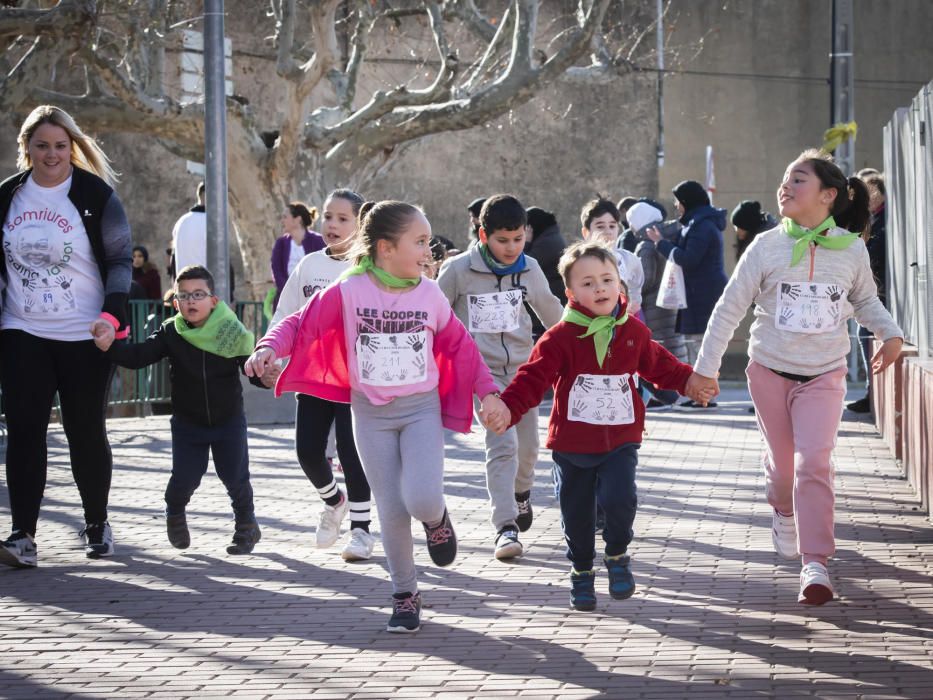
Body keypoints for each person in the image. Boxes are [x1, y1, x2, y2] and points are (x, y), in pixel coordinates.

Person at [245, 200, 508, 634]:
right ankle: (405, 593)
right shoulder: (349, 290)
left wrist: (489, 393)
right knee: (390, 508)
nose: (429, 251)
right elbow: (299, 322)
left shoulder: (429, 294)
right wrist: (268, 347)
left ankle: (437, 520)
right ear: (386, 248)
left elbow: (461, 346)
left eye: (428, 242)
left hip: (419, 408)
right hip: (369, 415)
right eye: (420, 242)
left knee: (422, 498)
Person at [689, 149, 904, 605]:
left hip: (824, 375)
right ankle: (782, 509)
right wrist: (705, 371)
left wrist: (890, 333)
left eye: (798, 180)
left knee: (814, 462)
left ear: (828, 196)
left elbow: (865, 301)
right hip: (769, 371)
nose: (785, 186)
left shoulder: (852, 250)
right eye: (785, 179)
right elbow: (729, 309)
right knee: (783, 468)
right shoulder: (766, 246)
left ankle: (815, 563)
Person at [482, 241, 713, 611]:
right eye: (588, 283)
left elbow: (662, 366)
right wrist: (507, 409)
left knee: (620, 499)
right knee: (576, 512)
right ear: (571, 293)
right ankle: (581, 571)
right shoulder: (559, 337)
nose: (600, 288)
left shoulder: (632, 332)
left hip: (620, 438)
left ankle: (618, 555)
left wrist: (691, 382)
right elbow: (531, 379)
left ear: (620, 285)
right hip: (572, 444)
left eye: (607, 279)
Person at [0, 105, 132, 568]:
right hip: (21, 330)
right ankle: (23, 536)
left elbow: (119, 261)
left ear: (72, 148)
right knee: (24, 431)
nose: (51, 154)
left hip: (85, 333)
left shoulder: (96, 195)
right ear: (27, 149)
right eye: (42, 146)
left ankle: (97, 524)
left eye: (60, 145)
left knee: (84, 430)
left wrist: (110, 317)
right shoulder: (8, 197)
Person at [92, 265, 270, 553]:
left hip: (228, 420)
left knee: (235, 476)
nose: (191, 301)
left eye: (198, 294)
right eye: (183, 295)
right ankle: (174, 512)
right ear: (175, 303)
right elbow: (139, 356)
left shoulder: (231, 330)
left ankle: (247, 527)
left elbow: (251, 370)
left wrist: (265, 377)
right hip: (189, 423)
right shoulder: (171, 332)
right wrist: (111, 346)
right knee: (185, 477)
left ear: (213, 300)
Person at [437, 194, 563, 560]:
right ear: (483, 234)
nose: (511, 248)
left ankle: (522, 494)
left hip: (524, 370)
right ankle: (505, 527)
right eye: (502, 240)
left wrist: (585, 340)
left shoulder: (531, 269)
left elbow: (554, 314)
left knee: (529, 450)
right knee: (502, 446)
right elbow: (434, 314)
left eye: (518, 239)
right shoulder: (459, 270)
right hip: (483, 375)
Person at [269, 189, 376, 561]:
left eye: (343, 218)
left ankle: (361, 531)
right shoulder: (309, 265)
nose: (332, 225)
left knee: (352, 453)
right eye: (328, 216)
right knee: (307, 452)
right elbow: (286, 314)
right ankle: (334, 501)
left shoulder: (370, 268)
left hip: (356, 379)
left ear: (361, 224)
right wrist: (271, 354)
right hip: (313, 374)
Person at [646, 179, 728, 406]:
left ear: (686, 201)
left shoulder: (702, 225)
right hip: (698, 291)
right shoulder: (698, 222)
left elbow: (688, 258)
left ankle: (705, 396)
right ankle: (700, 394)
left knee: (701, 344)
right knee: (696, 342)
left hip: (703, 292)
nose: (675, 205)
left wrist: (661, 243)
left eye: (677, 201)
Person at [629, 202, 687, 407]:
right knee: (673, 346)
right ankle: (675, 391)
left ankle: (667, 394)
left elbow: (644, 280)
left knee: (659, 350)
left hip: (653, 307)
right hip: (671, 302)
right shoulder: (668, 239)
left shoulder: (645, 246)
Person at [847, 170, 887, 414]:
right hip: (873, 291)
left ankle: (873, 393)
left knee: (868, 337)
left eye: (870, 193)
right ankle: (871, 392)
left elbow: (875, 255)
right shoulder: (872, 220)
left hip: (879, 293)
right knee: (865, 338)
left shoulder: (883, 222)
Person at [579, 198, 643, 316]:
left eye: (612, 226)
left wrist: (632, 303)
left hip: (627, 320)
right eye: (600, 227)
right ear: (586, 232)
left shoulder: (628, 259)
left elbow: (637, 286)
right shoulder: (578, 264)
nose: (608, 231)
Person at [271, 201, 325, 310]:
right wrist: (289, 293)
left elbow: (323, 269)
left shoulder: (319, 241)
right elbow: (276, 271)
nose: (282, 221)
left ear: (298, 219)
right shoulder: (280, 243)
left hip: (312, 301)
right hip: (286, 301)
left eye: (285, 217)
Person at [524, 206, 567, 339]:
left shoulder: (547, 242)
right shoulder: (549, 236)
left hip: (552, 298)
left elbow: (524, 266)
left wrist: (526, 243)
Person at [170, 181, 206, 275]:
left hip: (182, 282)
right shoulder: (213, 223)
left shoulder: (181, 221)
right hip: (206, 284)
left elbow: (173, 257)